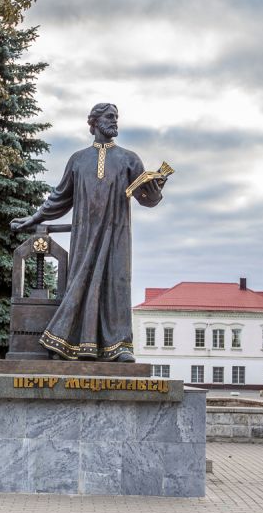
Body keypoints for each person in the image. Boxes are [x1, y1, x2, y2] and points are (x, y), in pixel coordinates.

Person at [10, 103, 165, 363]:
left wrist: (155, 188)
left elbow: (147, 199)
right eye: (109, 117)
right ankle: (67, 343)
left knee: (117, 283)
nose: (115, 121)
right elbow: (60, 197)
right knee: (80, 282)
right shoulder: (78, 159)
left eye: (116, 117)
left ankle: (119, 347)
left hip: (116, 235)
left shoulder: (129, 159)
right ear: (94, 122)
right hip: (85, 234)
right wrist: (34, 218)